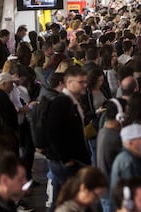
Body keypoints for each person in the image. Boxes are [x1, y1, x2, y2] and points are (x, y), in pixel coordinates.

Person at [44, 66, 91, 209]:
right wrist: (66, 159)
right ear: (69, 83)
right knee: (72, 201)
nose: (85, 85)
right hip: (66, 163)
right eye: (81, 82)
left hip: (67, 161)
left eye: (85, 82)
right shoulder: (62, 102)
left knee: (61, 200)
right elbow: (53, 132)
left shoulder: (71, 101)